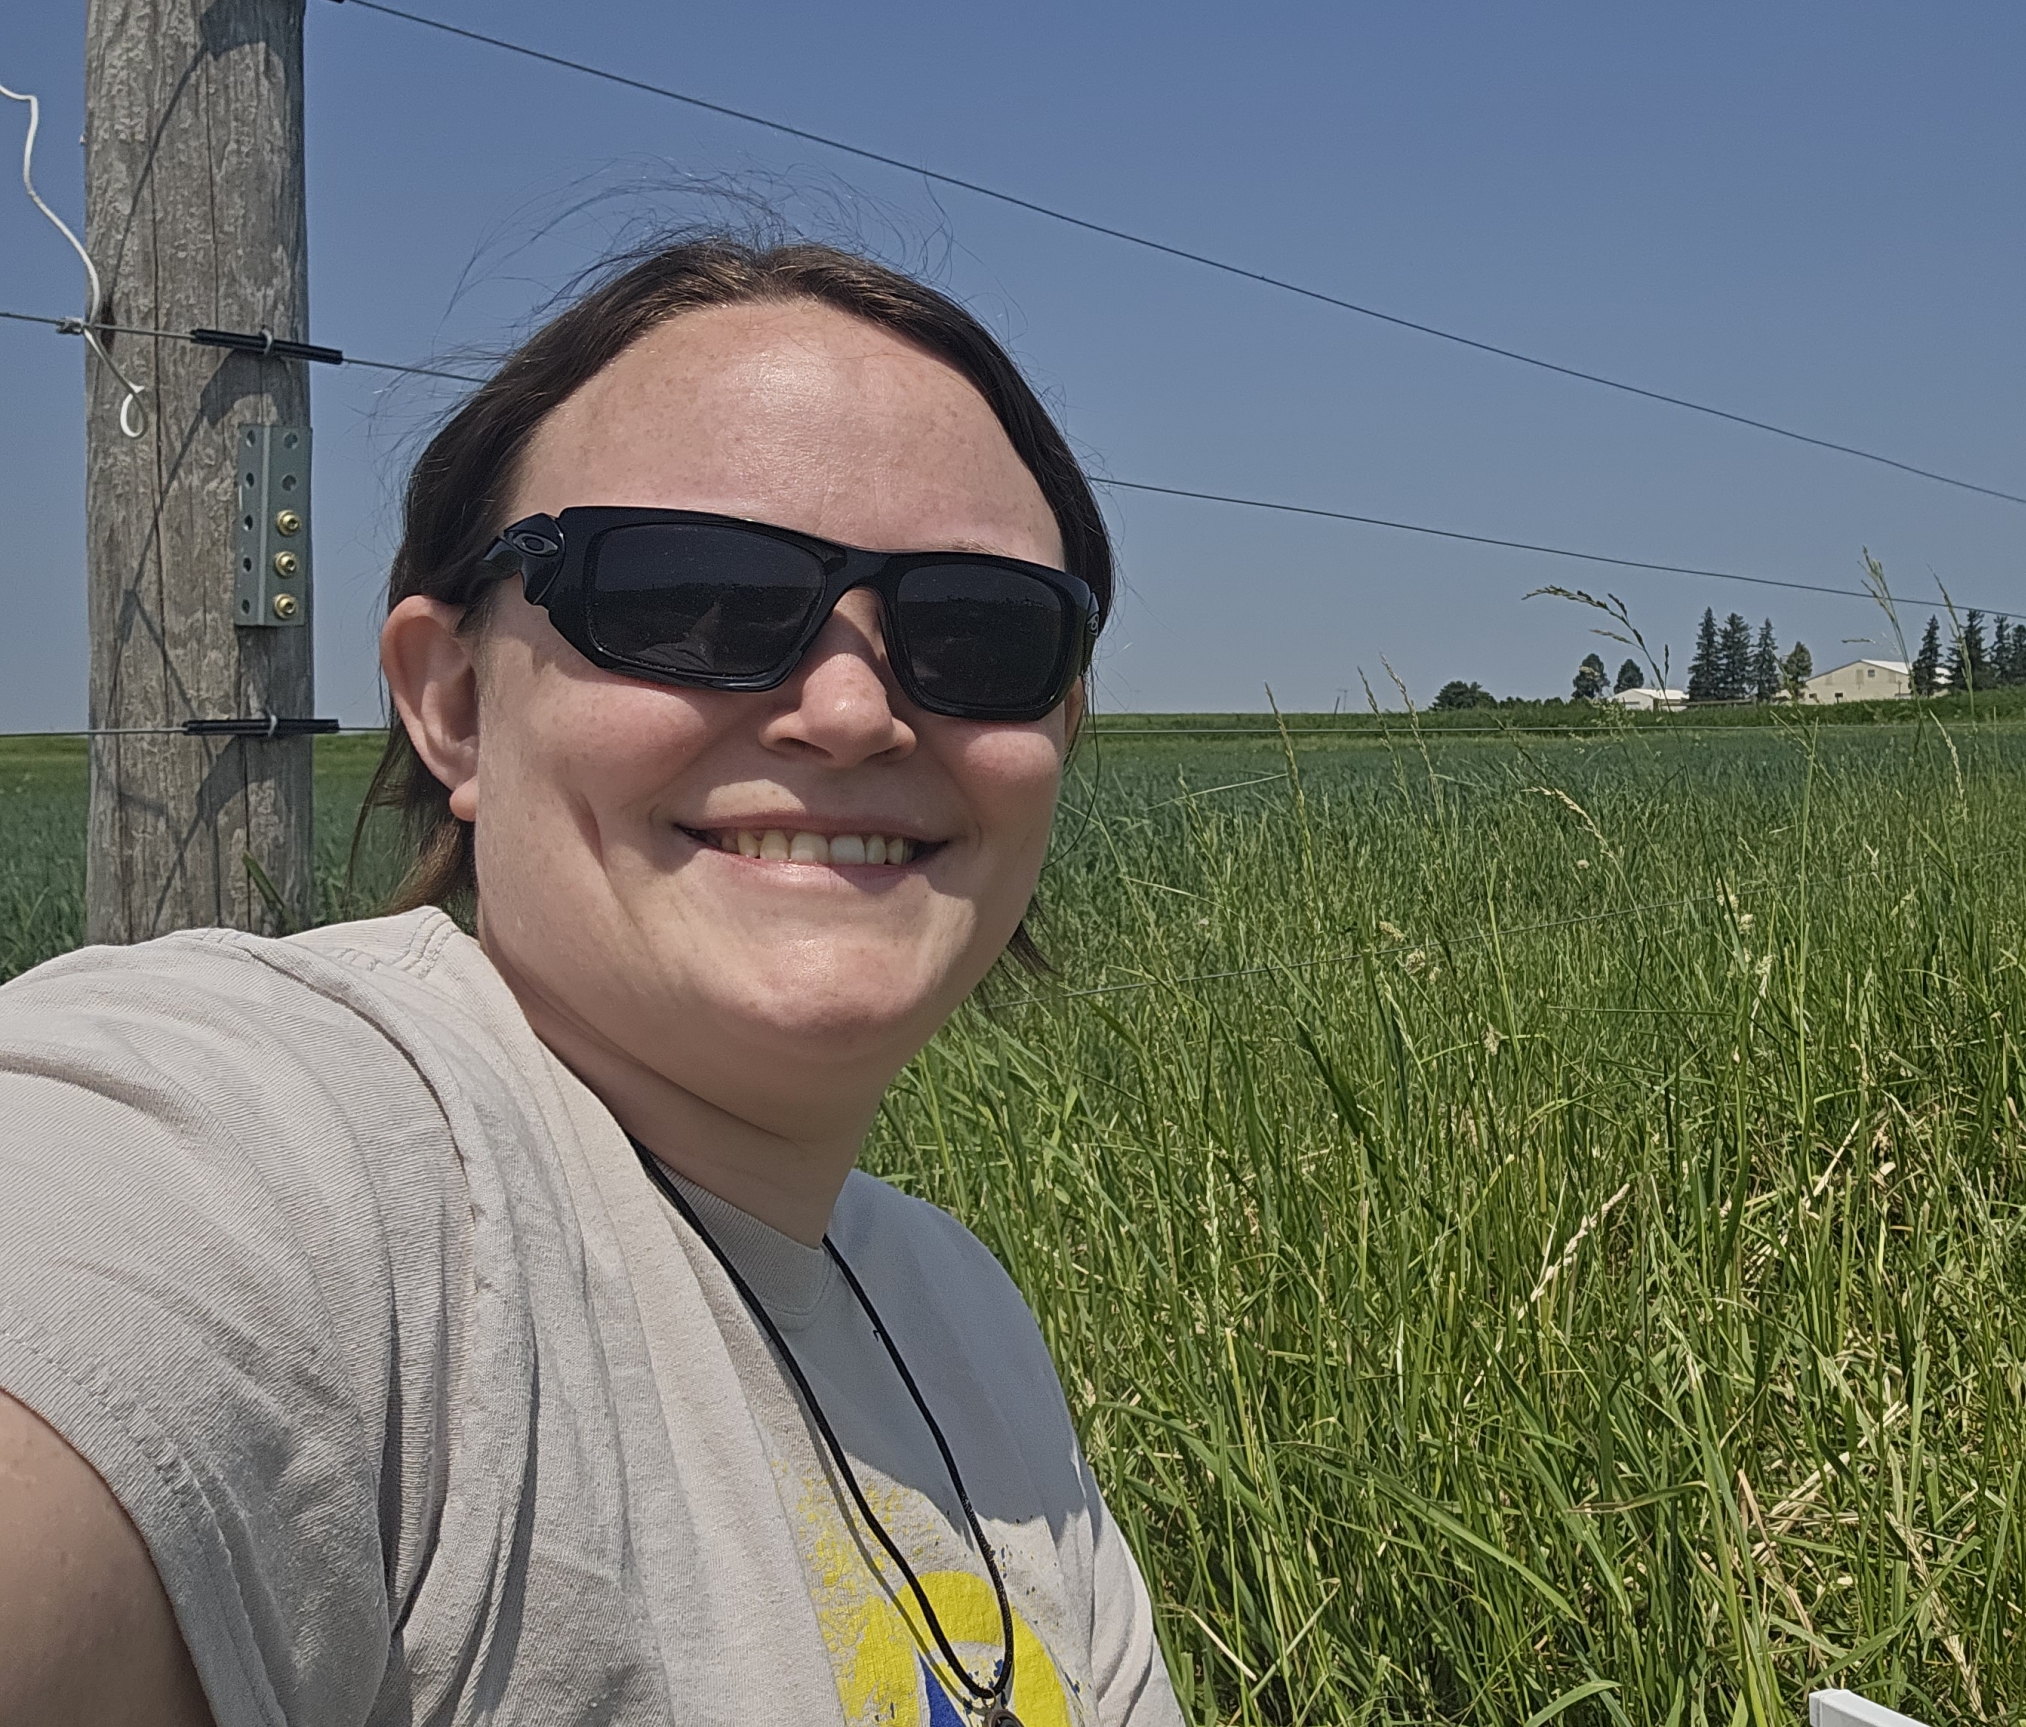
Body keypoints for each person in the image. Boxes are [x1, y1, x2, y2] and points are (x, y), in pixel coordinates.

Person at [0, 238, 1179, 1727]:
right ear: (455, 702)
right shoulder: (295, 1163)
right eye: (691, 597)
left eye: (978, 631)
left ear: (1061, 726)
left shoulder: (961, 1317)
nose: (851, 705)